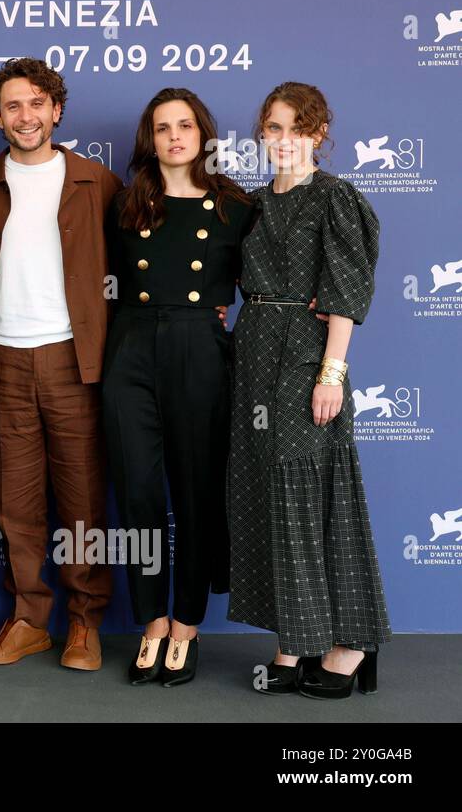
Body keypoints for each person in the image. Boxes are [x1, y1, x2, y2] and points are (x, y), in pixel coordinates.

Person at [228, 82, 391, 699]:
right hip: (254, 354)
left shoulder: (335, 199)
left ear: (319, 134)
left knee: (310, 494)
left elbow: (345, 296)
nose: (283, 140)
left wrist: (332, 373)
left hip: (305, 356)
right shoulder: (252, 203)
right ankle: (294, 643)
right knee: (267, 493)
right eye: (273, 128)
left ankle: (350, 644)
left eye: (297, 128)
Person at [0, 58, 121, 671]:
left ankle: (84, 623)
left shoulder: (96, 182)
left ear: (56, 110)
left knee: (82, 497)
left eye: (36, 103)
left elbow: (143, 255)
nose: (25, 116)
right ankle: (29, 619)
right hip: (1, 358)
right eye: (12, 106)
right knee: (16, 501)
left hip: (74, 361)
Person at [101, 88, 252, 686]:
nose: (174, 136)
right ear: (150, 138)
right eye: (162, 127)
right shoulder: (126, 202)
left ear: (203, 133)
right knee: (138, 490)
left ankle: (187, 623)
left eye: (185, 125)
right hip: (130, 347)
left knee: (195, 491)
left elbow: (264, 280)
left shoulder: (235, 207)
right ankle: (151, 621)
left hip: (200, 349)